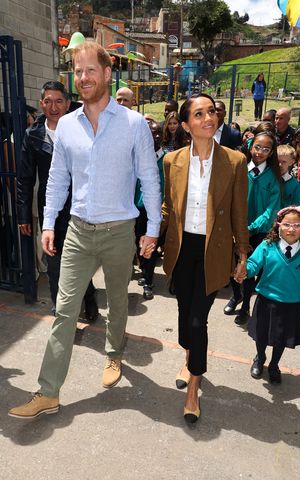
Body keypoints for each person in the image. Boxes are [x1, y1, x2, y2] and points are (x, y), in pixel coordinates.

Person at [9, 41, 162, 419]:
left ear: (108, 74)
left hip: (120, 231)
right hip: (77, 230)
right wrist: (48, 224)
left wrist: (153, 229)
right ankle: (48, 392)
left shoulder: (133, 124)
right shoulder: (67, 128)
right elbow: (58, 179)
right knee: (64, 310)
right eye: (78, 71)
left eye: (90, 70)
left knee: (118, 302)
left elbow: (149, 177)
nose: (83, 77)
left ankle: (114, 354)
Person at [162, 93, 250, 423]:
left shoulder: (235, 160)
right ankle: (188, 355)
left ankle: (193, 388)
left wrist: (242, 254)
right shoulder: (173, 161)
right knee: (186, 315)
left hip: (213, 252)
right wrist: (153, 233)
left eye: (211, 112)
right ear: (185, 125)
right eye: (199, 114)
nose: (208, 118)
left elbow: (240, 212)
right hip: (182, 250)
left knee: (199, 319)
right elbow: (170, 206)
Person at [17, 81, 98, 320]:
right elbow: (25, 178)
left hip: (79, 206)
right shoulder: (33, 136)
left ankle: (89, 296)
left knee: (80, 260)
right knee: (53, 264)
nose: (54, 106)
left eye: (59, 101)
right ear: (41, 104)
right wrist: (24, 214)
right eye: (48, 101)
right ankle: (61, 312)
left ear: (68, 103)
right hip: (50, 209)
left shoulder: (82, 128)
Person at [244, 206, 300, 383]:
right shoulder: (267, 246)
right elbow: (253, 264)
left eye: (296, 225)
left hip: (290, 305)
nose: (291, 229)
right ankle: (260, 358)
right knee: (261, 336)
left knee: (281, 340)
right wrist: (244, 270)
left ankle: (274, 364)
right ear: (278, 226)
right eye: (287, 224)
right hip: (265, 301)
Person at [224, 129, 282, 325]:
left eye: (266, 149)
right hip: (235, 227)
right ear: (250, 146)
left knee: (249, 268)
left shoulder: (274, 177)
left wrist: (251, 227)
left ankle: (245, 305)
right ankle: (236, 295)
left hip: (259, 231)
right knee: (232, 266)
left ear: (271, 152)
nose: (260, 152)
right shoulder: (239, 170)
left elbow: (271, 210)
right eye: (257, 147)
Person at [135, 121, 165, 300]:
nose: (155, 136)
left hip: (156, 210)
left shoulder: (167, 160)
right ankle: (144, 270)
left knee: (152, 245)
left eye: (158, 133)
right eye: (151, 133)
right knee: (139, 241)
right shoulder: (139, 157)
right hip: (137, 208)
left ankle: (148, 280)